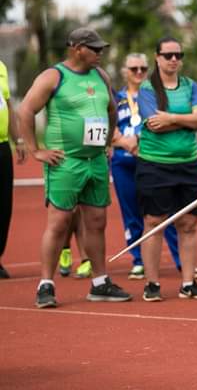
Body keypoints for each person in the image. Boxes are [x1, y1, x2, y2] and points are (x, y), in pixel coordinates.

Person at [18, 27, 132, 308]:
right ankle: (46, 284)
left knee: (97, 222)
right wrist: (36, 150)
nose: (100, 53)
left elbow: (112, 110)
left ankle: (100, 283)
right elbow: (25, 111)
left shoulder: (101, 75)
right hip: (66, 161)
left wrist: (108, 142)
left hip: (95, 162)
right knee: (59, 222)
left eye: (101, 49)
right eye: (95, 49)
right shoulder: (53, 76)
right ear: (78, 48)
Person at [135, 36, 197, 302]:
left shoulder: (191, 86)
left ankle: (188, 283)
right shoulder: (146, 89)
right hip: (154, 164)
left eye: (178, 55)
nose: (173, 60)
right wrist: (188, 121)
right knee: (154, 223)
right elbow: (153, 124)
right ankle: (152, 284)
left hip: (188, 164)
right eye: (168, 55)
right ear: (157, 57)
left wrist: (172, 118)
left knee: (189, 223)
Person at [111, 53, 182, 279]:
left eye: (143, 68)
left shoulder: (155, 95)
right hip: (123, 161)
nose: (139, 72)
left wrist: (140, 141)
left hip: (153, 159)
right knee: (131, 211)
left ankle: (181, 259)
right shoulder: (116, 98)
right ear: (125, 71)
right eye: (134, 69)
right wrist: (124, 142)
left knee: (166, 211)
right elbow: (106, 125)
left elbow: (165, 121)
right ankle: (138, 260)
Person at [0, 59, 26, 278]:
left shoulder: (1, 67)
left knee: (3, 204)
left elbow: (7, 104)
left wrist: (17, 140)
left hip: (1, 146)